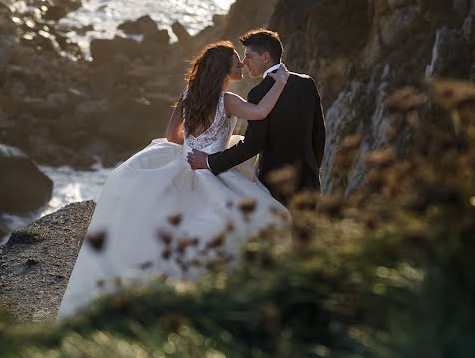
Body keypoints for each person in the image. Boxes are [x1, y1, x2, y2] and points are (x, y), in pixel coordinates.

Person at [56, 36, 293, 321]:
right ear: (223, 71)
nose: (242, 65)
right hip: (209, 171)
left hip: (185, 162)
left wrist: (196, 144)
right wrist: (280, 82)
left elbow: (172, 136)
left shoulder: (189, 93)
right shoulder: (227, 101)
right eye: (236, 63)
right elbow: (260, 112)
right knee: (259, 217)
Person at [187, 29, 326, 204]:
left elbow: (253, 145)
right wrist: (313, 168)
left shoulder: (259, 93)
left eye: (249, 56)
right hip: (309, 182)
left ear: (265, 57)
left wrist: (210, 162)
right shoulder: (307, 83)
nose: (244, 62)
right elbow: (319, 134)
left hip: (276, 184)